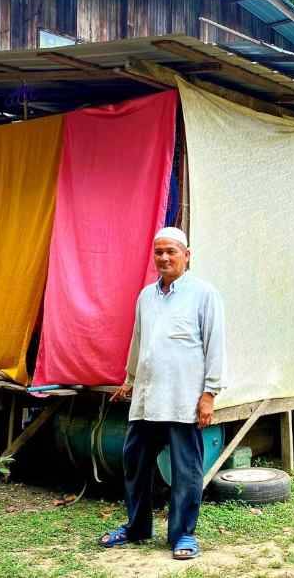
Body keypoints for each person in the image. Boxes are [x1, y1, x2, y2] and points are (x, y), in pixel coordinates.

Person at [98, 227, 226, 560]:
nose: (164, 258)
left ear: (187, 255)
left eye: (171, 251)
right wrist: (129, 379)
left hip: (183, 400)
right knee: (134, 464)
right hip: (146, 398)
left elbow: (216, 347)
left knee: (186, 472)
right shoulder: (146, 296)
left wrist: (209, 394)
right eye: (159, 252)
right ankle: (137, 527)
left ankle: (183, 534)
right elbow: (139, 342)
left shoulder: (204, 294)